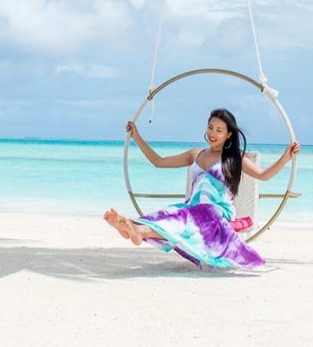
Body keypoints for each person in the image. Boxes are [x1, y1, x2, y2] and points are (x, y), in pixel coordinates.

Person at [104, 108, 299, 269]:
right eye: (210, 127)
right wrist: (137, 137)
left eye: (219, 130)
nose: (213, 133)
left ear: (228, 134)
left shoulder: (235, 157)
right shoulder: (195, 154)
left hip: (217, 212)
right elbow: (159, 161)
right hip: (192, 209)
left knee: (185, 217)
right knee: (170, 213)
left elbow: (263, 175)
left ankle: (137, 230)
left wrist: (286, 157)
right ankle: (136, 228)